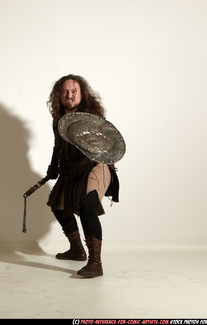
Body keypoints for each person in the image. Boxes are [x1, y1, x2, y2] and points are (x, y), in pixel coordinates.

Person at [45, 74, 119, 278]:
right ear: (59, 96)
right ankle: (77, 249)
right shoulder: (58, 120)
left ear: (81, 93)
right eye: (65, 92)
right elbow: (58, 146)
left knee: (87, 206)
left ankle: (95, 263)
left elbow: (107, 145)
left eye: (73, 91)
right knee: (58, 207)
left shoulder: (92, 116)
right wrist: (53, 166)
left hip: (96, 166)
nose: (69, 95)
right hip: (71, 169)